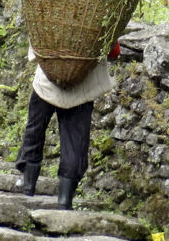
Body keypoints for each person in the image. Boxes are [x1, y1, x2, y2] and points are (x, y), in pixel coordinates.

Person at [14, 41, 121, 210]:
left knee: (35, 128)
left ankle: (28, 186)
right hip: (83, 88)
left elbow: (36, 41)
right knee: (75, 141)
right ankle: (64, 200)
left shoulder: (51, 18)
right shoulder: (99, 19)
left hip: (47, 81)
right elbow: (113, 52)